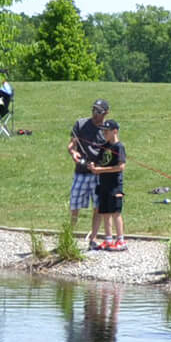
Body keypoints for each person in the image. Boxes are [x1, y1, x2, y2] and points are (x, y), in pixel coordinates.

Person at [67, 98, 110, 249]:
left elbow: (110, 154)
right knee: (74, 205)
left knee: (98, 207)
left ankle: (93, 238)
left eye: (98, 111)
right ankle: (68, 237)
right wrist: (73, 153)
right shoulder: (80, 123)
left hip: (98, 174)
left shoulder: (107, 129)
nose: (94, 114)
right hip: (81, 172)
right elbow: (72, 144)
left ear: (105, 113)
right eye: (93, 110)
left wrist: (98, 166)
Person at [91, 119, 127, 251]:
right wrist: (93, 166)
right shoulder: (104, 146)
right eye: (103, 131)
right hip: (103, 184)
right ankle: (108, 239)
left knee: (115, 212)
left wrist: (101, 170)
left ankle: (121, 240)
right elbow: (99, 162)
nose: (104, 133)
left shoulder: (119, 147)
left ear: (115, 131)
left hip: (115, 185)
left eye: (106, 131)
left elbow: (121, 167)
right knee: (105, 212)